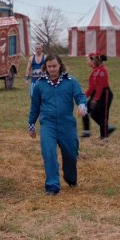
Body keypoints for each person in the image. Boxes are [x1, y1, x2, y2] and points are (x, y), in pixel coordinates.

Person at [28, 55, 87, 195]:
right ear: (45, 67)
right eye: (49, 66)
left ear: (60, 65)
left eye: (54, 66)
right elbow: (34, 106)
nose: (52, 69)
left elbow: (80, 96)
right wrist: (31, 124)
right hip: (48, 124)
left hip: (67, 124)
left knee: (71, 154)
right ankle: (52, 186)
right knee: (49, 153)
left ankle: (71, 178)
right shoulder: (39, 84)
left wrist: (82, 105)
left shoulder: (71, 81)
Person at [81, 52, 115, 140]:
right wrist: (84, 96)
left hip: (105, 94)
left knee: (103, 115)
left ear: (97, 60)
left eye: (90, 60)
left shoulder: (102, 71)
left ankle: (104, 136)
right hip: (98, 94)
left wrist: (95, 99)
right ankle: (104, 131)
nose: (89, 62)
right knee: (94, 114)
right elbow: (92, 87)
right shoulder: (96, 71)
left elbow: (101, 86)